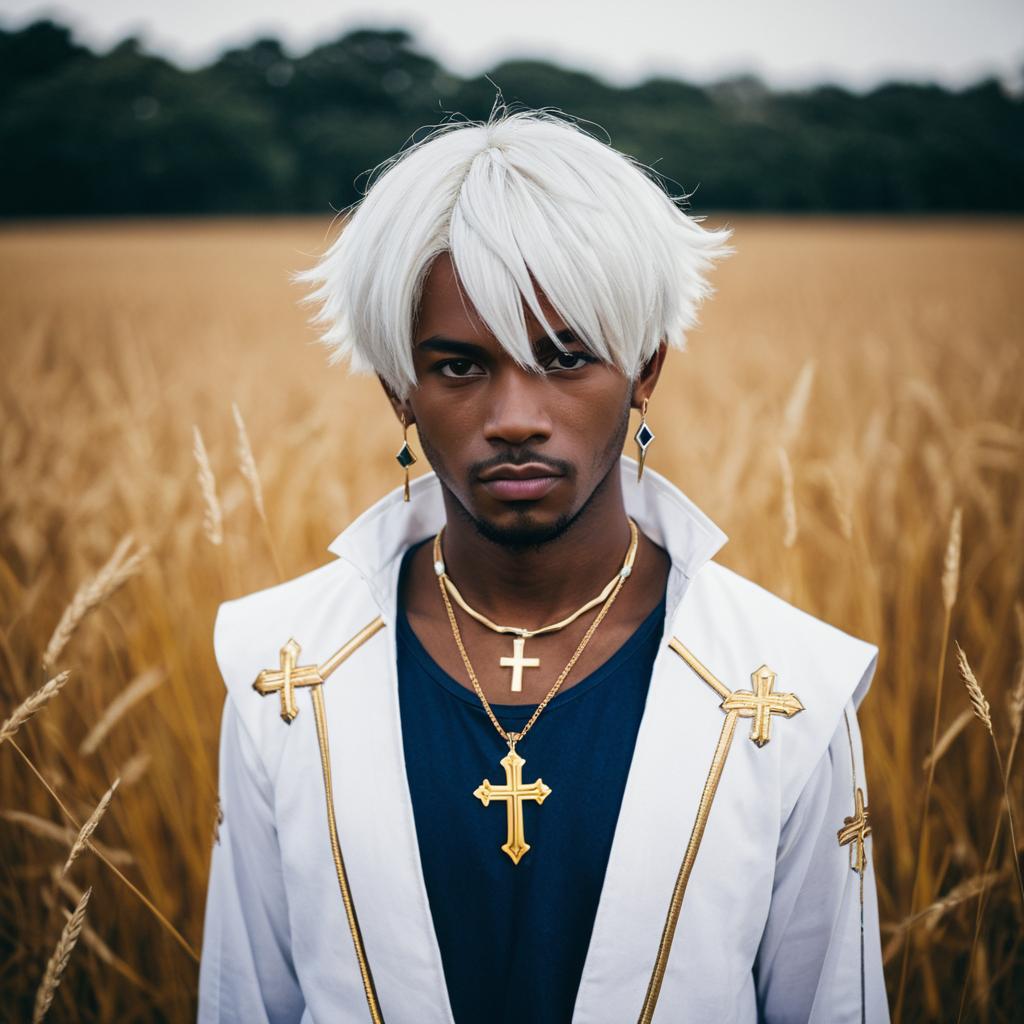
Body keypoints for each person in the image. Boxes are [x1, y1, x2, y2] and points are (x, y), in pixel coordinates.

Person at [197, 107, 889, 1024]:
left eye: (565, 358)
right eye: (459, 366)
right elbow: (247, 1002)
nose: (516, 414)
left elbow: (833, 1005)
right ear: (398, 390)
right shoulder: (279, 669)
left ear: (646, 370)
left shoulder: (787, 690)